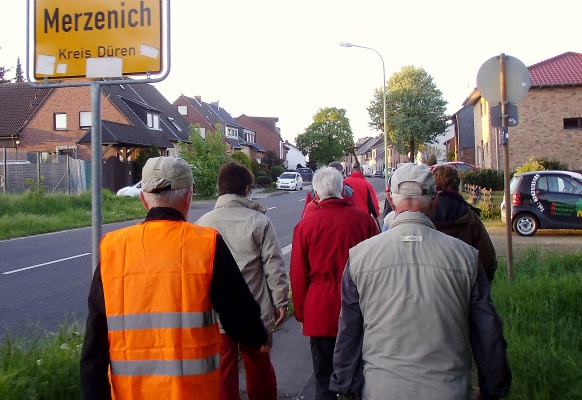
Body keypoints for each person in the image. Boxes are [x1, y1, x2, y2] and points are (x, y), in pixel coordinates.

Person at [80, 156, 271, 400]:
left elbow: (94, 345)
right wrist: (258, 336)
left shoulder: (113, 248)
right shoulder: (207, 244)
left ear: (143, 198)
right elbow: (240, 317)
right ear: (189, 198)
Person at [331, 163, 511, 400]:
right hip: (449, 389)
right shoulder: (466, 257)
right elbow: (487, 331)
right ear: (435, 200)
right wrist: (492, 389)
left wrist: (345, 387)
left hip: (381, 390)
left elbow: (349, 333)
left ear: (391, 200)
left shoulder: (359, 258)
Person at [196, 161, 289, 400]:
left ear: (220, 188)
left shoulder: (202, 225)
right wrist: (281, 301)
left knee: (223, 373)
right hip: (254, 312)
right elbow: (274, 265)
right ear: (247, 189)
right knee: (259, 370)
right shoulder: (259, 222)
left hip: (217, 316)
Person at [290, 167, 379, 400]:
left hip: (320, 310)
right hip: (359, 309)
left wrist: (301, 314)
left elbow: (298, 276)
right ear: (342, 189)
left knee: (324, 377)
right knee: (358, 373)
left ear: (316, 193)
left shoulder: (305, 227)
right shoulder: (364, 222)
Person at [431, 164, 498, 282]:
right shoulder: (470, 215)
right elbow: (487, 258)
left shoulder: (425, 214)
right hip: (464, 285)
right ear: (457, 184)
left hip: (431, 285)